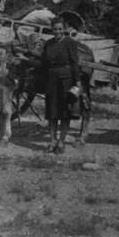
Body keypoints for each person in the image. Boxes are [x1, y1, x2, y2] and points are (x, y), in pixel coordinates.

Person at [41, 17, 81, 154]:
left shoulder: (70, 43)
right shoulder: (48, 44)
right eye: (55, 29)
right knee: (52, 113)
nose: (57, 32)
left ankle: (61, 141)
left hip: (66, 79)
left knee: (65, 113)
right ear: (51, 30)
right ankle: (52, 140)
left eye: (60, 29)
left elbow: (75, 63)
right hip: (51, 80)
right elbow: (43, 63)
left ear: (64, 29)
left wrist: (77, 82)